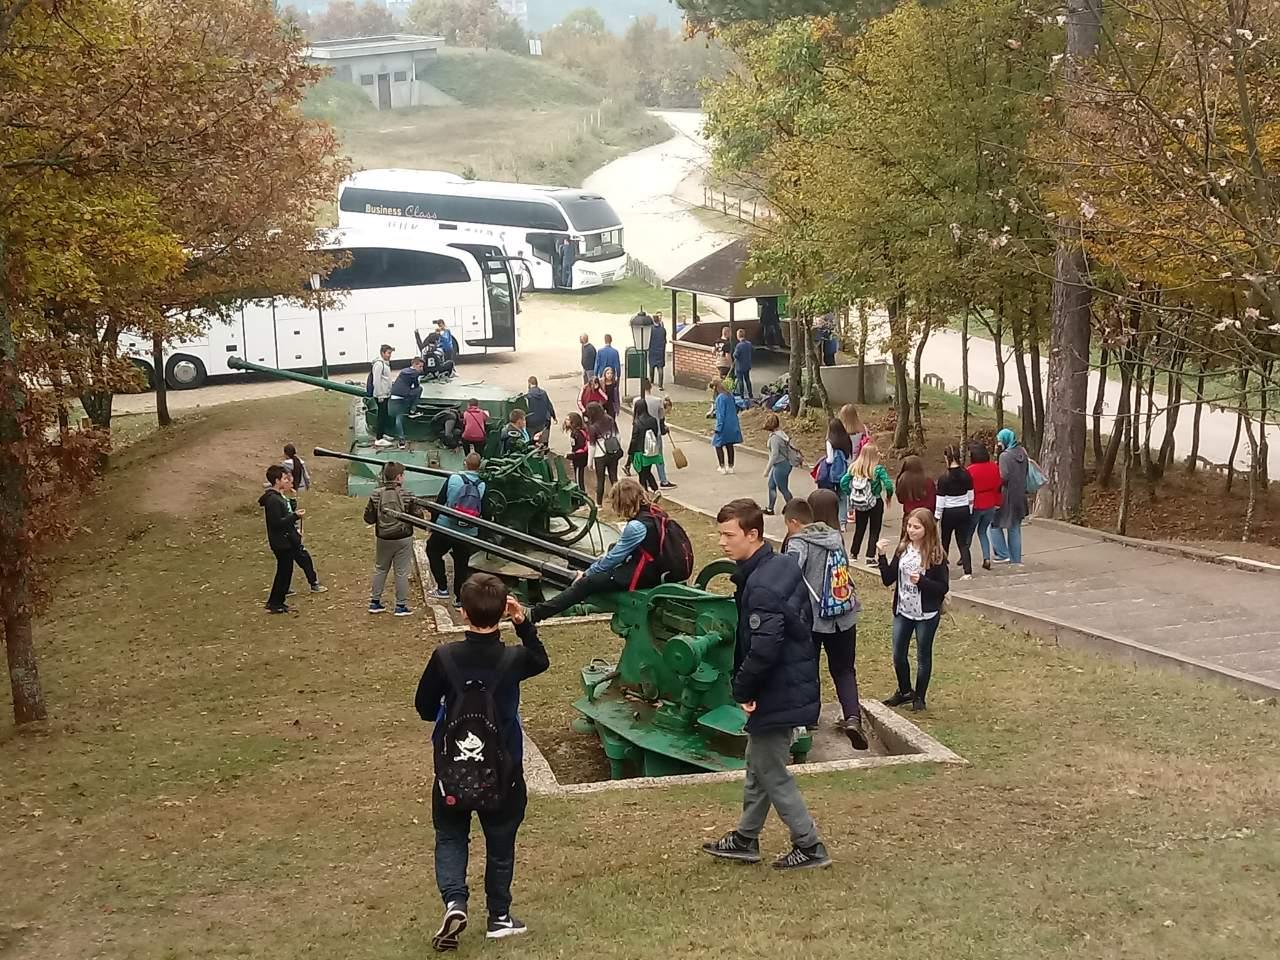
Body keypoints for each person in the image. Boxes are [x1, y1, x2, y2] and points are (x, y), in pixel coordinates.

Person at [414, 573, 548, 949]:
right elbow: (541, 660)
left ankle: (455, 900)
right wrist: (523, 623)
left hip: (453, 769)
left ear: (462, 612)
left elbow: (424, 707)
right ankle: (500, 917)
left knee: (451, 834)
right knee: (501, 841)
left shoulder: (444, 657)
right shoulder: (514, 657)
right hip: (504, 769)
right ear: (505, 610)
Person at [702, 498, 831, 871]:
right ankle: (746, 838)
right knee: (758, 764)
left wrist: (744, 690)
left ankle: (809, 845)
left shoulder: (760, 587)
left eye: (729, 535)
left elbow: (764, 648)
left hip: (777, 691)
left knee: (771, 770)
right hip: (791, 682)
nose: (723, 543)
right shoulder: (781, 566)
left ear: (753, 534)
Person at [530, 479, 683, 623]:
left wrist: (586, 574)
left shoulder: (636, 527)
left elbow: (613, 558)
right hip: (660, 568)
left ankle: (536, 614)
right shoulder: (654, 512)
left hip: (648, 574)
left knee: (585, 584)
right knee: (608, 554)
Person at [784, 493, 867, 749]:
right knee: (844, 669)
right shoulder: (835, 538)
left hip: (813, 617)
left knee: (809, 666)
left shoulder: (799, 542)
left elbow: (788, 577)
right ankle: (853, 717)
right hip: (843, 614)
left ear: (794, 521)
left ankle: (810, 717)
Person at [877, 508, 949, 712]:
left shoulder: (936, 555)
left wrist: (923, 582)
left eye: (917, 527)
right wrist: (881, 555)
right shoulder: (903, 549)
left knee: (923, 656)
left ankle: (920, 697)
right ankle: (905, 690)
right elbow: (887, 579)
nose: (911, 530)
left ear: (927, 529)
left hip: (926, 614)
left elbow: (943, 588)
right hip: (903, 610)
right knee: (898, 654)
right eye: (909, 526)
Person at [259, 464, 325, 614]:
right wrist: (295, 516)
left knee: (285, 572)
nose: (287, 480)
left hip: (286, 540)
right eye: (284, 478)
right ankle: (276, 603)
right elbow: (277, 523)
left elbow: (284, 515)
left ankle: (277, 601)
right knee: (284, 573)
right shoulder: (273, 500)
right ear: (277, 480)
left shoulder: (279, 497)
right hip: (281, 542)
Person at [365, 461, 428, 616]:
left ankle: (375, 602)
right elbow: (417, 517)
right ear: (399, 477)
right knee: (401, 571)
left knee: (380, 568)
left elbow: (368, 518)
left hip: (383, 537)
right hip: (403, 537)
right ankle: (400, 606)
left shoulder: (376, 494)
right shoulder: (408, 494)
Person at [426, 453, 487, 607]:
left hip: (445, 527)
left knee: (433, 551)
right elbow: (484, 510)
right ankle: (459, 598)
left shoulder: (453, 479)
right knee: (461, 563)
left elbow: (439, 502)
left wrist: (433, 524)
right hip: (468, 531)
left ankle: (442, 587)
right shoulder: (483, 485)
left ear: (465, 463)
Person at [843, 440, 893, 565]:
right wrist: (889, 495)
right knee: (874, 530)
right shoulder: (878, 469)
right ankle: (870, 556)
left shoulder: (855, 467)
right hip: (875, 501)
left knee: (860, 528)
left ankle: (854, 553)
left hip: (860, 503)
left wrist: (851, 494)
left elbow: (843, 482)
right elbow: (888, 484)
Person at [935, 444, 975, 579]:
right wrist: (969, 510)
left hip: (949, 512)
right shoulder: (966, 474)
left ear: (946, 457)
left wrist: (937, 517)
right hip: (963, 510)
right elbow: (971, 495)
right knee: (963, 542)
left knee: (945, 541)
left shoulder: (943, 478)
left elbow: (940, 500)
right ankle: (967, 571)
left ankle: (942, 570)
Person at [991, 428, 1029, 565]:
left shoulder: (1004, 456)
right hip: (1020, 494)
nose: (998, 443)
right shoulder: (1022, 453)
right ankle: (1016, 559)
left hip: (1006, 495)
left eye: (1000, 440)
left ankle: (1002, 554)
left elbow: (1004, 476)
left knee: (994, 523)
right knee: (1015, 528)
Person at [967, 441, 1003, 571]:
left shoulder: (970, 470)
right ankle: (986, 557)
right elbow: (999, 485)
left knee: (969, 532)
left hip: (976, 504)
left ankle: (965, 556)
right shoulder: (994, 467)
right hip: (991, 503)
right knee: (983, 531)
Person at [819, 419, 855, 529]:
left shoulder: (830, 441)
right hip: (845, 472)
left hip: (833, 474)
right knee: (843, 497)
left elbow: (830, 459)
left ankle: (832, 521)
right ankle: (843, 523)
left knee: (831, 496)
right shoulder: (846, 439)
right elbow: (849, 457)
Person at [642, 381, 676, 489]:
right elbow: (661, 418)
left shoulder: (636, 401)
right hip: (655, 432)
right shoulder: (657, 401)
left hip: (642, 433)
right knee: (659, 456)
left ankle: (646, 479)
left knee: (645, 456)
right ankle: (663, 480)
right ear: (650, 387)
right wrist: (664, 429)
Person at [586, 402, 622, 503]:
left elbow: (592, 446)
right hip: (612, 452)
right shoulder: (610, 419)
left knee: (600, 480)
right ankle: (619, 499)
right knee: (614, 477)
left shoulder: (593, 427)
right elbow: (618, 436)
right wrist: (617, 448)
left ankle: (599, 503)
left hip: (599, 455)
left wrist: (589, 462)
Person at [628, 397, 663, 497]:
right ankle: (655, 490)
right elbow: (656, 433)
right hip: (651, 451)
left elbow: (634, 438)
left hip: (640, 451)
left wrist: (630, 452)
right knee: (647, 471)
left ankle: (644, 494)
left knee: (641, 474)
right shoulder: (653, 420)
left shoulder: (637, 422)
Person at [762, 413, 795, 515]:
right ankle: (770, 508)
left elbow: (774, 455)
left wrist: (767, 469)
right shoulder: (781, 434)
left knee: (783, 488)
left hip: (780, 465)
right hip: (783, 464)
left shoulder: (774, 439)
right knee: (771, 485)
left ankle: (793, 508)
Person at [389, 357, 425, 450]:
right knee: (419, 390)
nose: (421, 369)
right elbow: (416, 386)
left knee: (398, 418)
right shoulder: (414, 373)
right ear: (415, 365)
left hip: (393, 397)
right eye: (420, 366)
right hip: (402, 398)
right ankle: (413, 410)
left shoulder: (404, 371)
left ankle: (401, 440)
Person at [711, 379, 742, 475]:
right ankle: (731, 466)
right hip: (733, 424)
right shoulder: (730, 396)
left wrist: (718, 427)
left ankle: (722, 466)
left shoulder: (720, 398)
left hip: (724, 425)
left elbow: (721, 414)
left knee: (717, 444)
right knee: (729, 445)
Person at [370, 344, 395, 448]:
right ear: (382, 353)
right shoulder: (379, 364)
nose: (390, 355)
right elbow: (376, 380)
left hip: (385, 394)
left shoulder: (385, 363)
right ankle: (379, 438)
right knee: (381, 416)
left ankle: (382, 434)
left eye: (390, 353)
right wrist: (379, 394)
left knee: (384, 415)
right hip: (381, 395)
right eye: (388, 353)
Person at [523, 376, 555, 446]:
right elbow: (549, 405)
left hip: (531, 423)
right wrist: (554, 416)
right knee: (543, 439)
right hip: (543, 421)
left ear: (529, 384)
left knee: (532, 441)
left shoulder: (528, 396)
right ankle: (544, 450)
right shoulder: (544, 393)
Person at [564, 412, 589, 493]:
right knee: (578, 476)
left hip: (580, 458)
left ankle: (581, 494)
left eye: (568, 419)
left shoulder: (578, 433)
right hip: (578, 457)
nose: (566, 421)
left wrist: (572, 456)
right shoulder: (575, 432)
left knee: (578, 478)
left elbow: (582, 447)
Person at [733, 328, 755, 399]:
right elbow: (753, 350)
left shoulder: (739, 345)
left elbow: (735, 355)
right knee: (747, 380)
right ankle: (750, 394)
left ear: (738, 336)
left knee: (740, 381)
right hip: (747, 365)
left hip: (740, 366)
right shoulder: (749, 344)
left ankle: (742, 395)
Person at [648, 313, 667, 389]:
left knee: (651, 366)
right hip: (660, 351)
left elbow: (648, 340)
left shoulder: (650, 329)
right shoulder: (663, 330)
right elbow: (664, 340)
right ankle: (660, 385)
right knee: (660, 368)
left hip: (652, 350)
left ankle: (651, 380)